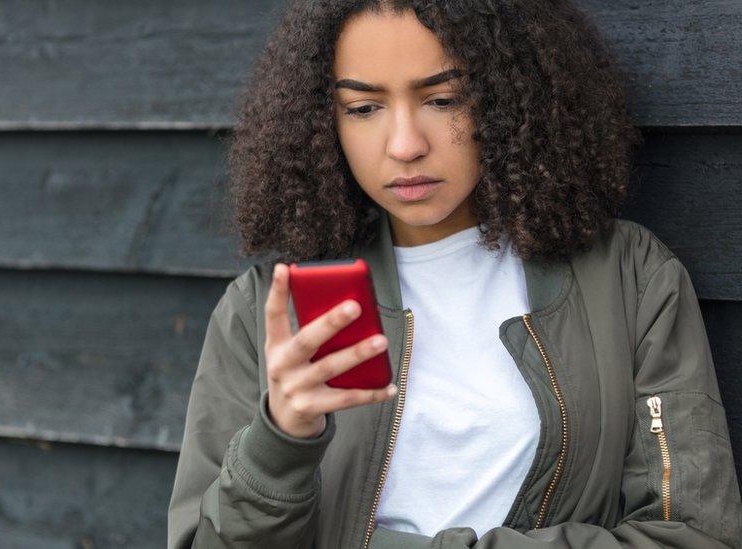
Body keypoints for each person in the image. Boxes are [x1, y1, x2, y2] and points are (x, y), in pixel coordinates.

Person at [167, 0, 742, 547]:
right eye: (364, 108)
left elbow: (692, 533)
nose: (405, 145)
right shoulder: (268, 306)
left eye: (442, 99)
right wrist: (280, 440)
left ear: (508, 96)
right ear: (325, 122)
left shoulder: (630, 278)